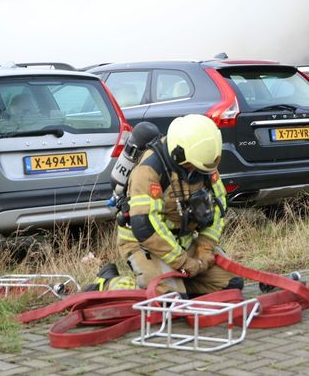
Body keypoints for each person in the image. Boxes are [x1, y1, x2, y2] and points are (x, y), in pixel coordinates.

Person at [89, 114, 235, 295]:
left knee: (230, 284)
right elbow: (147, 227)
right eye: (192, 166)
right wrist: (183, 262)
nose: (197, 172)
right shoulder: (149, 171)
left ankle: (181, 285)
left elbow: (218, 207)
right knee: (168, 299)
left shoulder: (200, 161)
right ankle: (109, 283)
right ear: (178, 153)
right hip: (145, 244)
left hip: (183, 240)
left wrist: (204, 248)